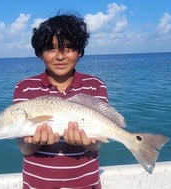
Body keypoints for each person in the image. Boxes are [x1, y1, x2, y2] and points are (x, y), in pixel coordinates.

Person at [13, 13, 108, 189]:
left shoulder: (95, 85)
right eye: (51, 48)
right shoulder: (25, 88)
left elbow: (98, 145)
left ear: (80, 51)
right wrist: (35, 141)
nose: (60, 56)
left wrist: (90, 143)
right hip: (38, 184)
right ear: (40, 53)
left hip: (86, 183)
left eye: (69, 48)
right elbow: (25, 149)